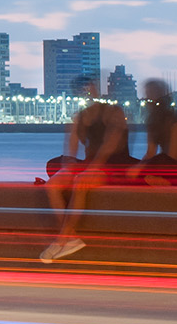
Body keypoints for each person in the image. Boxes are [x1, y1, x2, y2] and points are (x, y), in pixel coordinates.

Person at [40, 76, 129, 262]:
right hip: (89, 163)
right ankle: (70, 237)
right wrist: (68, 166)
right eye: (82, 91)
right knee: (52, 185)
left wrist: (91, 169)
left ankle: (60, 240)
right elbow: (71, 146)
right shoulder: (80, 117)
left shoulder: (114, 112)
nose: (87, 93)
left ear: (97, 90)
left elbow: (110, 145)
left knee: (81, 182)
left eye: (90, 89)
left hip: (113, 165)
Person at [134, 79, 177, 187]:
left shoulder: (174, 120)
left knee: (144, 167)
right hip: (165, 165)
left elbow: (173, 156)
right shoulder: (153, 120)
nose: (148, 101)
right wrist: (138, 167)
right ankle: (156, 179)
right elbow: (150, 152)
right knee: (131, 167)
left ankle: (163, 180)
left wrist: (142, 167)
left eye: (150, 96)